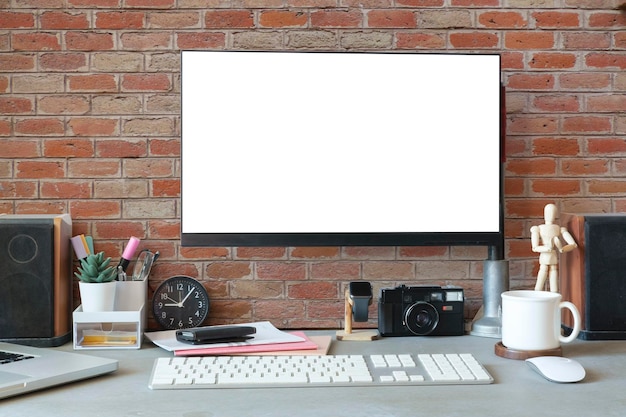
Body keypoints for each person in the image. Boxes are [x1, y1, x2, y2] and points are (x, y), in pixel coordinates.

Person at [530, 203, 577, 292]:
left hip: (552, 254)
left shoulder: (558, 228)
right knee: (543, 270)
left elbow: (572, 244)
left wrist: (562, 248)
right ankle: (537, 291)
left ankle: (554, 293)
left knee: (553, 270)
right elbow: (535, 247)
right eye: (548, 212)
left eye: (552, 212)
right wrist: (546, 249)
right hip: (545, 253)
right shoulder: (539, 228)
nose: (550, 215)